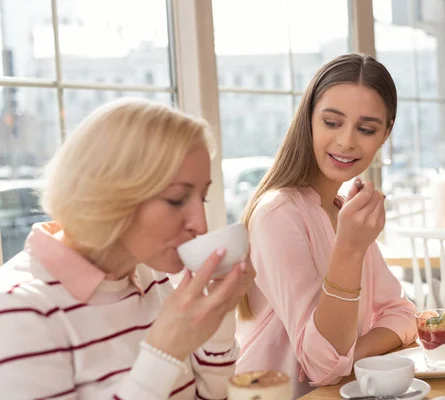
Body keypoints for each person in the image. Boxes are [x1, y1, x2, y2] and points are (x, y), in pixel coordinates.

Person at [0, 99, 255, 399]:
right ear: (108, 195)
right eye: (176, 200)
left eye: (204, 198)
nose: (200, 225)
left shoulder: (151, 278)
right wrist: (163, 352)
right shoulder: (19, 312)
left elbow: (213, 395)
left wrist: (220, 311)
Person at [235, 53, 418, 397]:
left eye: (366, 129)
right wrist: (349, 248)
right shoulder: (278, 214)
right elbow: (322, 366)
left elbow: (403, 314)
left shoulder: (342, 211)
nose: (347, 140)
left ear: (385, 134)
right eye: (332, 122)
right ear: (309, 120)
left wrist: (346, 360)